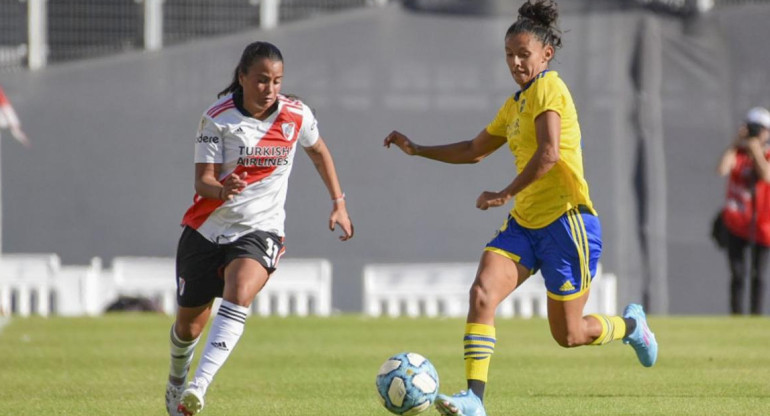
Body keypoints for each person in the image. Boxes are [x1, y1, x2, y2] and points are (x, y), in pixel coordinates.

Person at [384, 1, 657, 415]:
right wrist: (418, 149)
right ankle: (474, 399)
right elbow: (475, 150)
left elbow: (548, 153)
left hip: (568, 224)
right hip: (525, 225)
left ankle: (633, 326)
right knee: (482, 293)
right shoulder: (515, 106)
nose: (514, 62)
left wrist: (505, 192)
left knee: (570, 334)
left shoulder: (550, 87)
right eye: (509, 55)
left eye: (522, 54)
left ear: (545, 54)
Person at [165, 41, 354, 416]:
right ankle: (176, 381)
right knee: (188, 328)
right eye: (262, 80)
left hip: (261, 230)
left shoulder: (295, 115)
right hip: (206, 230)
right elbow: (202, 181)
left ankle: (198, 388)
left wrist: (339, 203)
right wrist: (222, 189)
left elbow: (319, 151)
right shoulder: (217, 119)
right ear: (243, 78)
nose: (270, 89)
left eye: (277, 81)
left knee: (239, 293)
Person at [717, 106, 770, 315]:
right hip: (736, 221)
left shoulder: (765, 153)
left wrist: (755, 148)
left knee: (759, 274)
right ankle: (736, 316)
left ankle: (756, 316)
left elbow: (765, 175)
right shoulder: (737, 153)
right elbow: (722, 169)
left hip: (763, 224)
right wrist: (735, 143)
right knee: (738, 273)